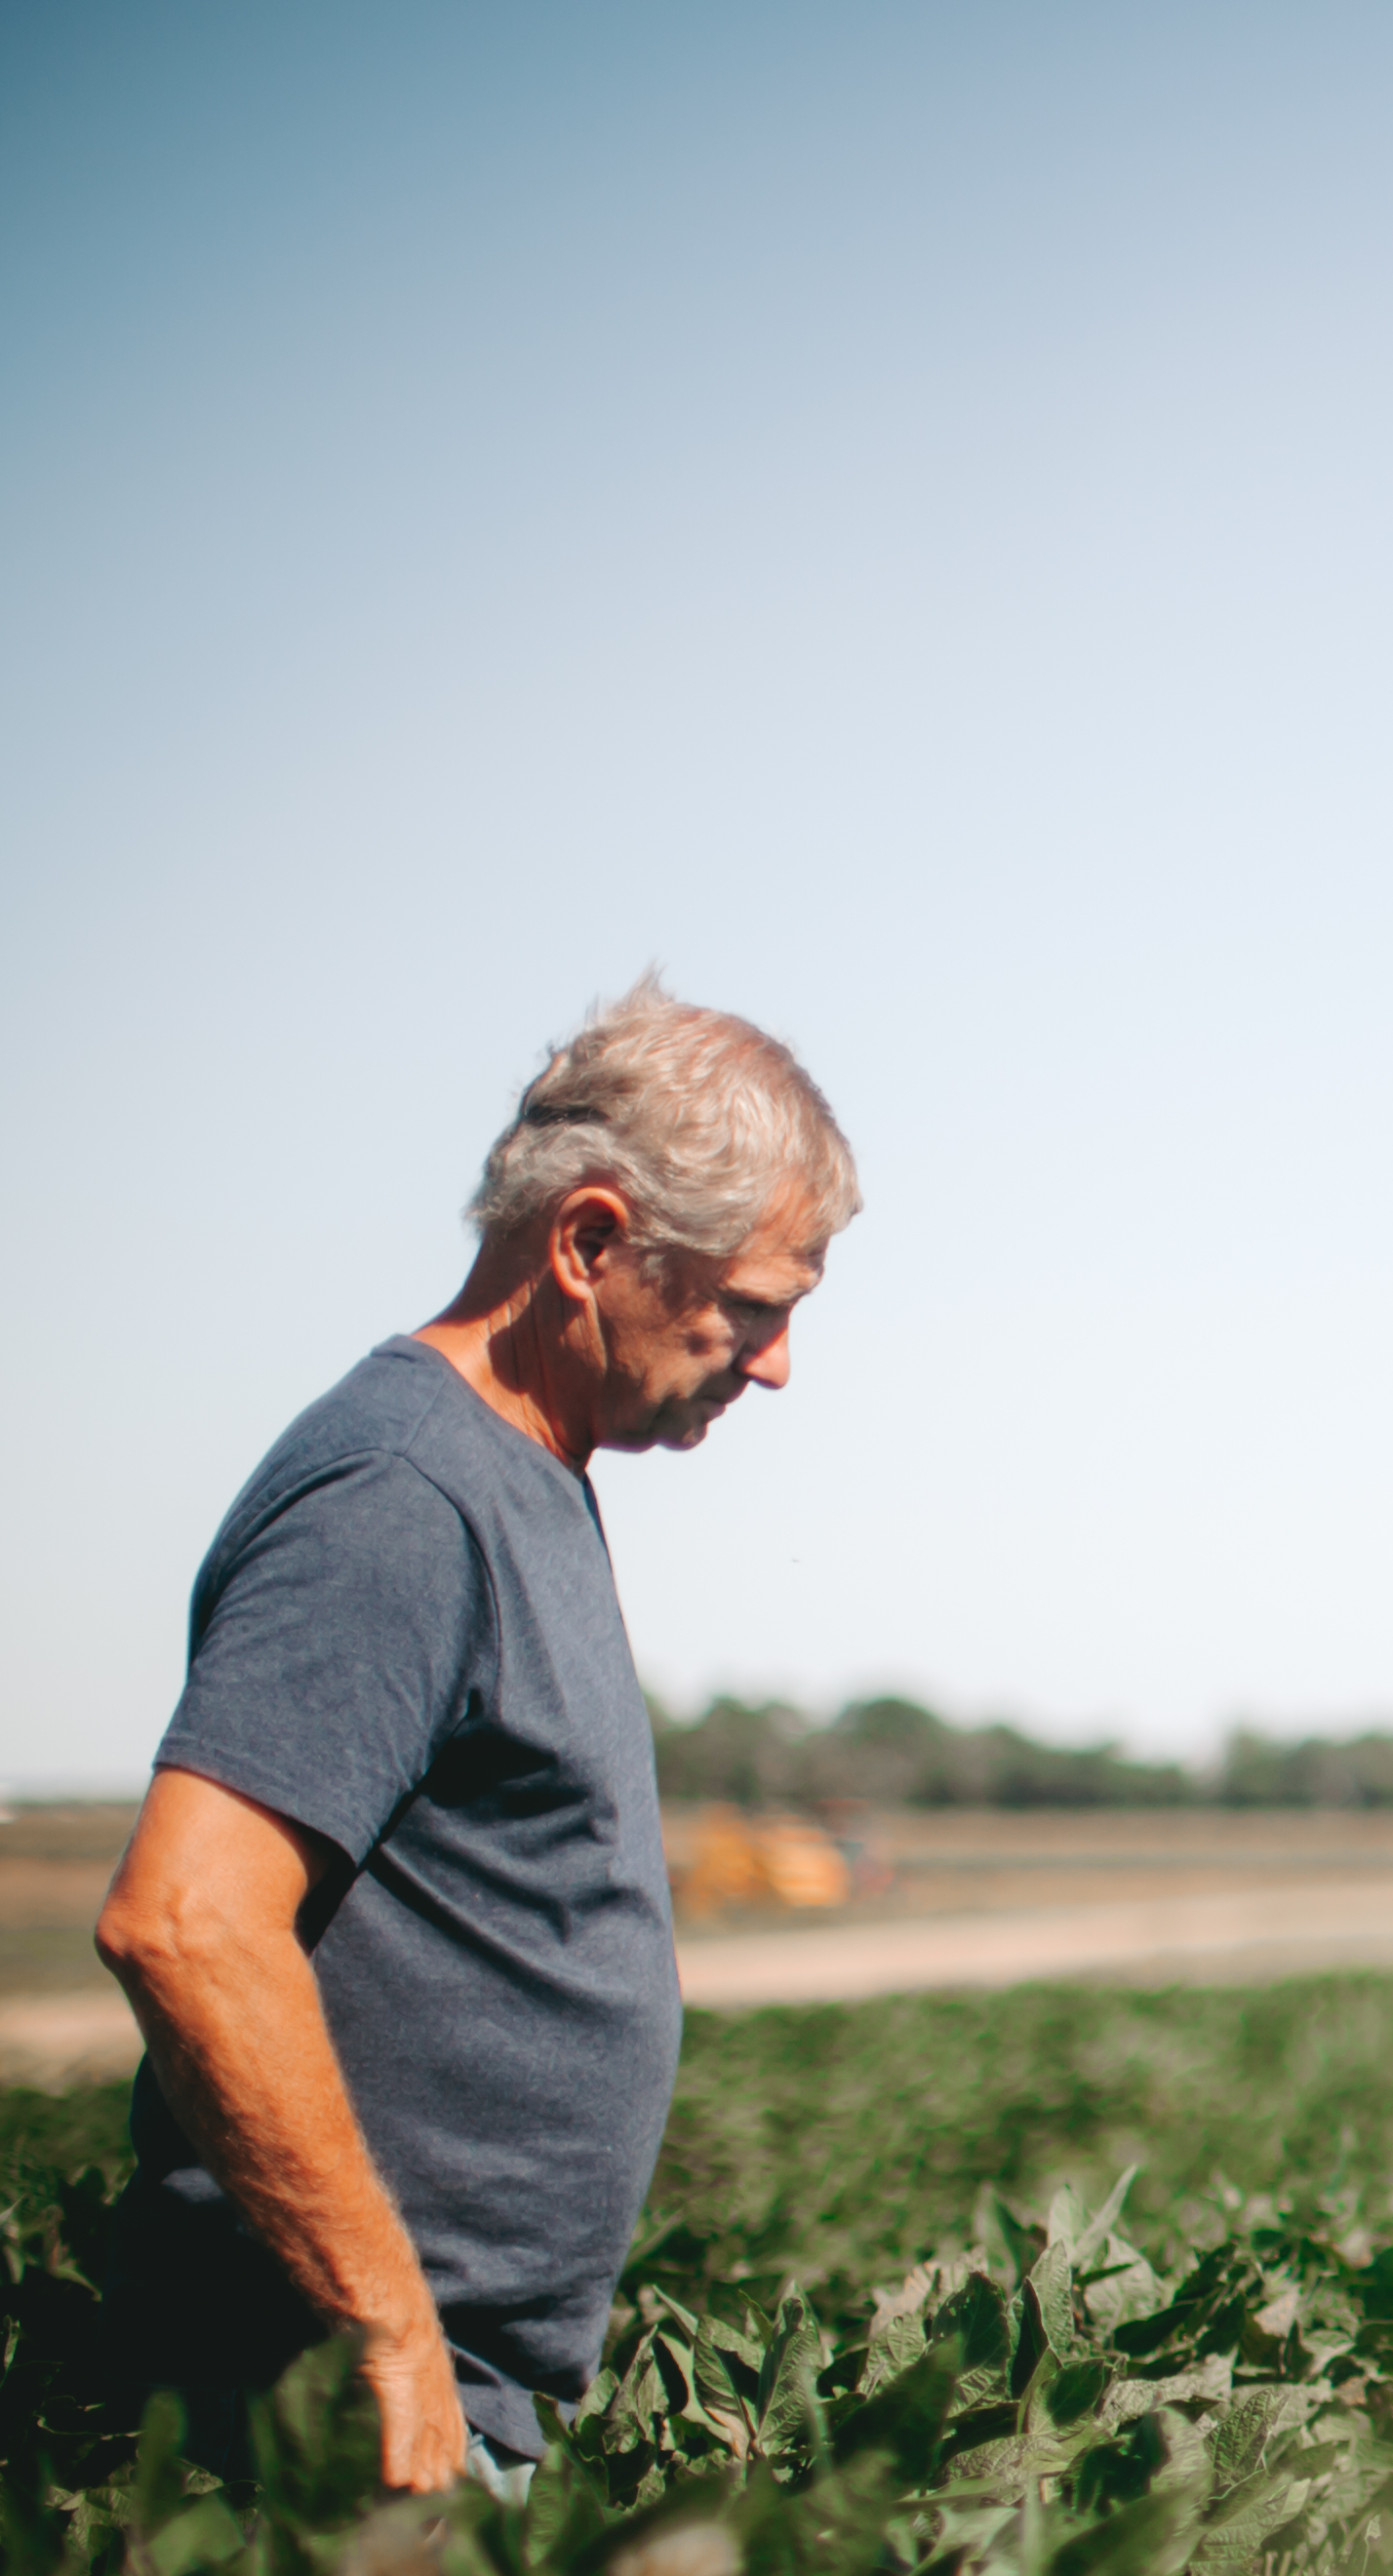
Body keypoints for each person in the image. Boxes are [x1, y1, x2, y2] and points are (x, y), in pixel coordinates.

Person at [94, 976, 857, 2495]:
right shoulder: (402, 1495)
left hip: (440, 2398)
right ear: (586, 1244)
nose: (774, 1364)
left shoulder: (523, 1477)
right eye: (753, 1306)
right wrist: (386, 2332)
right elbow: (186, 1920)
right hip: (331, 2418)